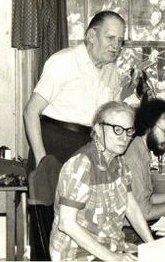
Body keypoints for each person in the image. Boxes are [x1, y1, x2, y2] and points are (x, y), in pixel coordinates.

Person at [49, 101, 154, 261]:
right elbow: (66, 223)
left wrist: (153, 246)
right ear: (98, 129)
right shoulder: (81, 164)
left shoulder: (120, 163)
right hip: (77, 253)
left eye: (128, 131)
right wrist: (112, 257)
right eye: (117, 130)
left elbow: (131, 209)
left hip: (111, 248)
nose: (124, 137)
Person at [23, 10, 126, 168]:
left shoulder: (112, 72)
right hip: (54, 149)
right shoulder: (64, 61)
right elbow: (31, 111)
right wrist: (41, 159)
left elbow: (113, 120)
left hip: (90, 150)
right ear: (91, 35)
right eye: (110, 38)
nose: (116, 46)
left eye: (120, 41)